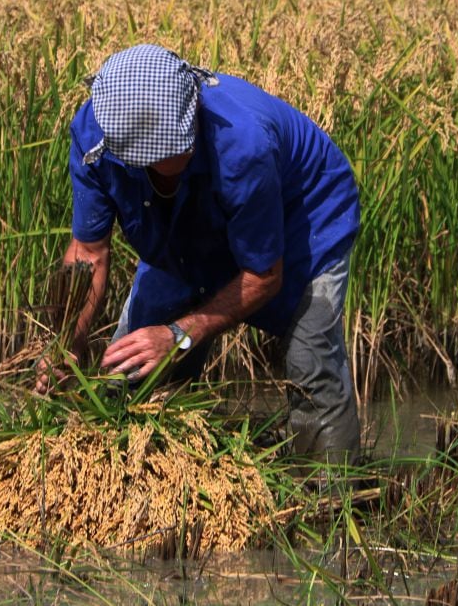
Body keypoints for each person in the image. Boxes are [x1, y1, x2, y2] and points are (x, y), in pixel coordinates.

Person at [35, 44, 362, 460]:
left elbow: (264, 276)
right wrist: (70, 341)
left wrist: (178, 336)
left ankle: (332, 494)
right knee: (130, 372)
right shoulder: (95, 136)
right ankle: (138, 475)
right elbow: (87, 252)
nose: (188, 141)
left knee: (310, 362)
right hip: (187, 228)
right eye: (174, 143)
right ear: (136, 157)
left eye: (188, 131)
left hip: (305, 220)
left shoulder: (243, 145)